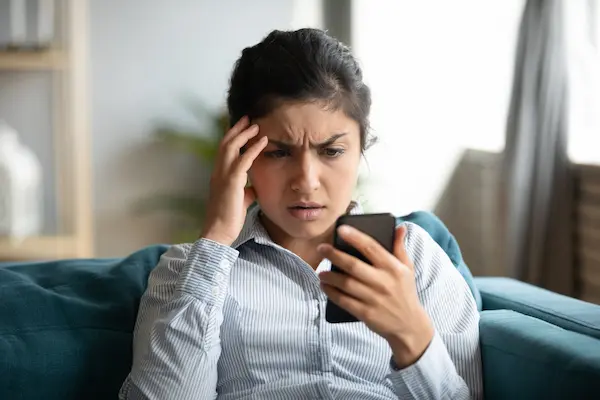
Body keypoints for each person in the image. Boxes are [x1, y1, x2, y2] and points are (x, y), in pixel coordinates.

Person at [119, 28, 483, 400]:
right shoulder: (186, 272)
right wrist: (215, 241)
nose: (306, 182)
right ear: (239, 152)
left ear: (361, 148)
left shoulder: (419, 263)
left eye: (332, 151)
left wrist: (411, 334)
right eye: (278, 152)